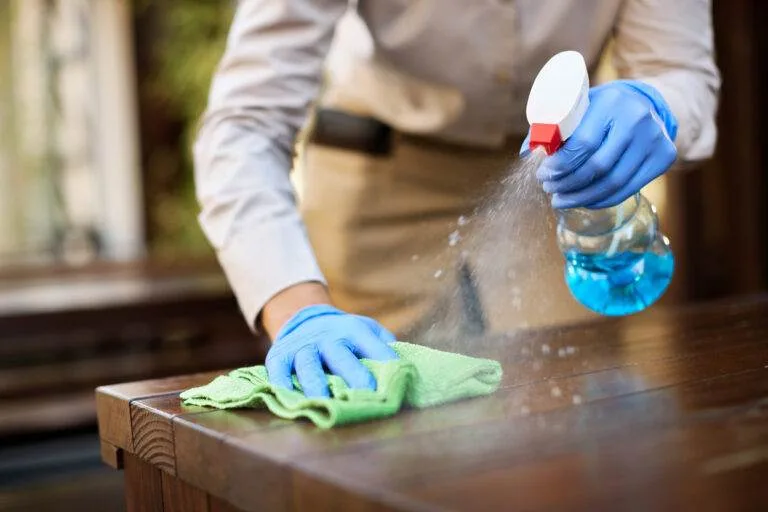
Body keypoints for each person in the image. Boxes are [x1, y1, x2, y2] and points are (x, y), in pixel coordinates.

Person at [193, 0, 720, 398]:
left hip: (552, 179)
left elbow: (679, 71)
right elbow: (245, 125)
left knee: (573, 409)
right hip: (379, 183)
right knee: (371, 414)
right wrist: (299, 311)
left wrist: (657, 104)